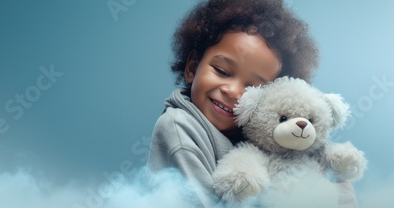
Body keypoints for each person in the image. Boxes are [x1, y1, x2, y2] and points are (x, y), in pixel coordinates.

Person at [146, 0, 359, 207]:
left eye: (253, 88)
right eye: (222, 71)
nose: (233, 92)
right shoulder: (179, 127)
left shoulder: (256, 137)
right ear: (192, 68)